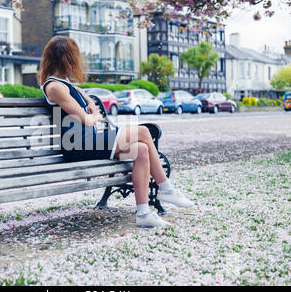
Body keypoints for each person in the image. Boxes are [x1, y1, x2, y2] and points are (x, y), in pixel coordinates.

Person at [38, 36, 195, 228]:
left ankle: (144, 213)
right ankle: (166, 188)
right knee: (144, 132)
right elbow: (87, 120)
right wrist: (94, 114)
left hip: (89, 141)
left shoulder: (64, 84)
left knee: (141, 150)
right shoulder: (54, 87)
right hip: (78, 145)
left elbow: (87, 98)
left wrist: (89, 104)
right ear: (66, 58)